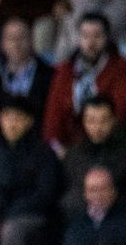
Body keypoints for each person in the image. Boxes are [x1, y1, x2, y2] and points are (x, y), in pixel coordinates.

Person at [0, 96, 61, 245]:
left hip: (33, 218)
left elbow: (45, 195)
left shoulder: (44, 153)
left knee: (11, 231)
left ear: (29, 121)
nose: (11, 123)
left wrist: (5, 217)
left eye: (17, 118)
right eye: (6, 117)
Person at [43, 12, 126, 150]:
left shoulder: (121, 69)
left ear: (107, 37)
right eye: (85, 36)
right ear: (78, 38)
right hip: (71, 147)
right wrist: (57, 148)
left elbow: (120, 112)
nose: (91, 42)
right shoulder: (65, 71)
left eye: (97, 36)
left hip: (112, 147)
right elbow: (53, 115)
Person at [58, 167, 126, 245]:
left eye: (103, 188)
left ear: (113, 191)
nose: (98, 194)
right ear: (85, 193)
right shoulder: (75, 224)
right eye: (93, 190)